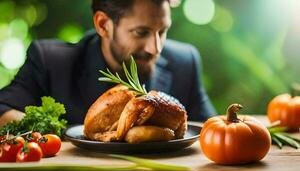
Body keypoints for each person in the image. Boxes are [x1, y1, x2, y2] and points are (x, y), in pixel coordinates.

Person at [0, 0, 216, 127]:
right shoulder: (50, 61)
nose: (156, 47)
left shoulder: (185, 61)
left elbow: (210, 130)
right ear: (103, 25)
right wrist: (55, 135)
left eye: (163, 31)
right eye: (141, 32)